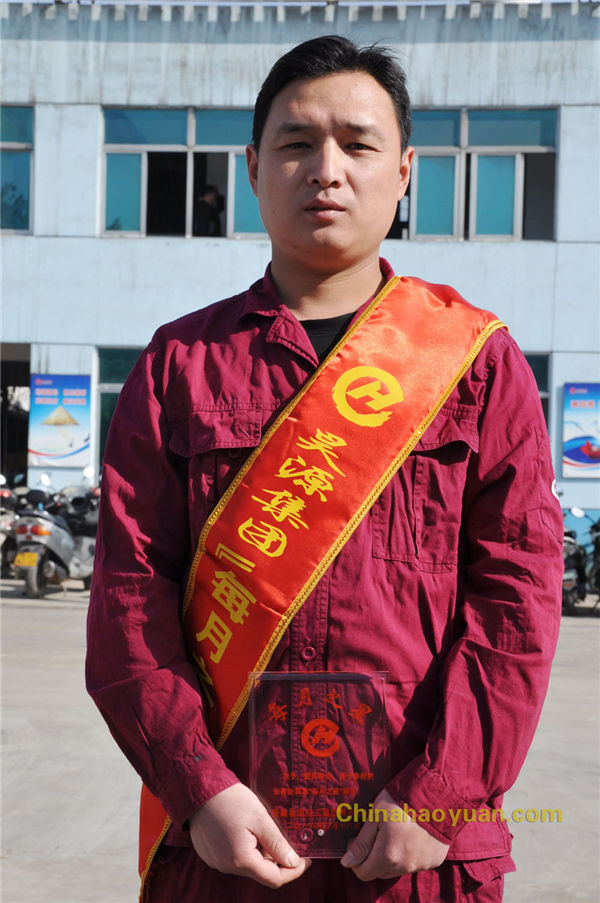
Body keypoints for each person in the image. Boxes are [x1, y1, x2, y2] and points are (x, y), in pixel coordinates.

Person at [86, 35, 563, 903]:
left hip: (418, 853)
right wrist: (200, 787)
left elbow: (517, 606)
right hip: (226, 847)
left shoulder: (474, 363)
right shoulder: (178, 365)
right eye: (297, 143)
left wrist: (439, 794)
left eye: (358, 144)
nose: (326, 170)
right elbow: (129, 602)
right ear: (253, 168)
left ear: (405, 171)